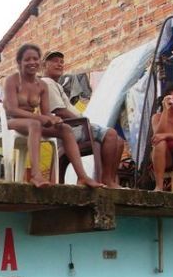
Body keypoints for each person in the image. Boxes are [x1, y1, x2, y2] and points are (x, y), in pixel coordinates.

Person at [3, 44, 104, 189]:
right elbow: (12, 110)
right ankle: (36, 175)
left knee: (65, 129)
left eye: (35, 59)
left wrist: (54, 119)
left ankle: (82, 176)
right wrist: (41, 118)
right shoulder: (12, 80)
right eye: (27, 59)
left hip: (32, 122)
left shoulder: (42, 85)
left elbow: (46, 114)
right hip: (11, 121)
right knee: (35, 124)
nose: (32, 62)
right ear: (20, 62)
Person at [41, 50, 125, 188]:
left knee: (119, 141)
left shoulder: (56, 85)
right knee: (110, 134)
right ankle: (107, 180)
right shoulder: (47, 83)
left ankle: (109, 179)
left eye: (61, 62)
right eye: (55, 61)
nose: (59, 64)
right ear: (44, 65)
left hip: (74, 127)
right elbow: (59, 111)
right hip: (68, 130)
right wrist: (83, 122)